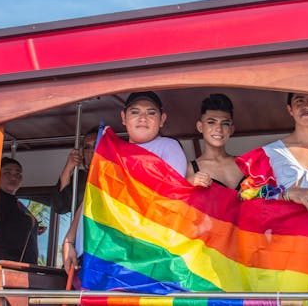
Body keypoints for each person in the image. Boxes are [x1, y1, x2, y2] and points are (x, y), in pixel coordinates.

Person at [62, 91, 187, 274]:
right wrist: (69, 240)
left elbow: (168, 202)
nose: (143, 118)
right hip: (90, 252)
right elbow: (91, 197)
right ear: (123, 117)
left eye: (151, 113)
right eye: (135, 112)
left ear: (162, 119)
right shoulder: (110, 151)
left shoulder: (168, 147)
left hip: (133, 258)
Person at [261, 93, 308, 303]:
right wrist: (286, 194)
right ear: (289, 109)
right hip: (285, 242)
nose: (307, 106)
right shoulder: (269, 153)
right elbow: (248, 198)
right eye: (299, 101)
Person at [186, 93, 244, 190]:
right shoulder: (190, 169)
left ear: (231, 129)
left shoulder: (245, 164)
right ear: (200, 127)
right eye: (211, 122)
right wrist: (187, 185)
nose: (219, 129)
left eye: (225, 124)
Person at [0, 157, 39, 264]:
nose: (13, 177)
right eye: (7, 172)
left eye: (18, 174)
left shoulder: (17, 205)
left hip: (21, 270)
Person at [52, 127, 99, 214]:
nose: (92, 150)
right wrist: (69, 167)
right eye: (87, 147)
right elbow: (60, 206)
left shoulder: (118, 173)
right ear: (83, 154)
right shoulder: (80, 177)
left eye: (96, 145)